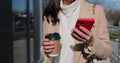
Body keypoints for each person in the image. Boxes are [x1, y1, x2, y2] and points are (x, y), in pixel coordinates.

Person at [41, 0, 112, 63]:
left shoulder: (97, 11)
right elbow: (43, 49)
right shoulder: (49, 15)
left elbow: (107, 51)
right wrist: (45, 49)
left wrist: (92, 42)